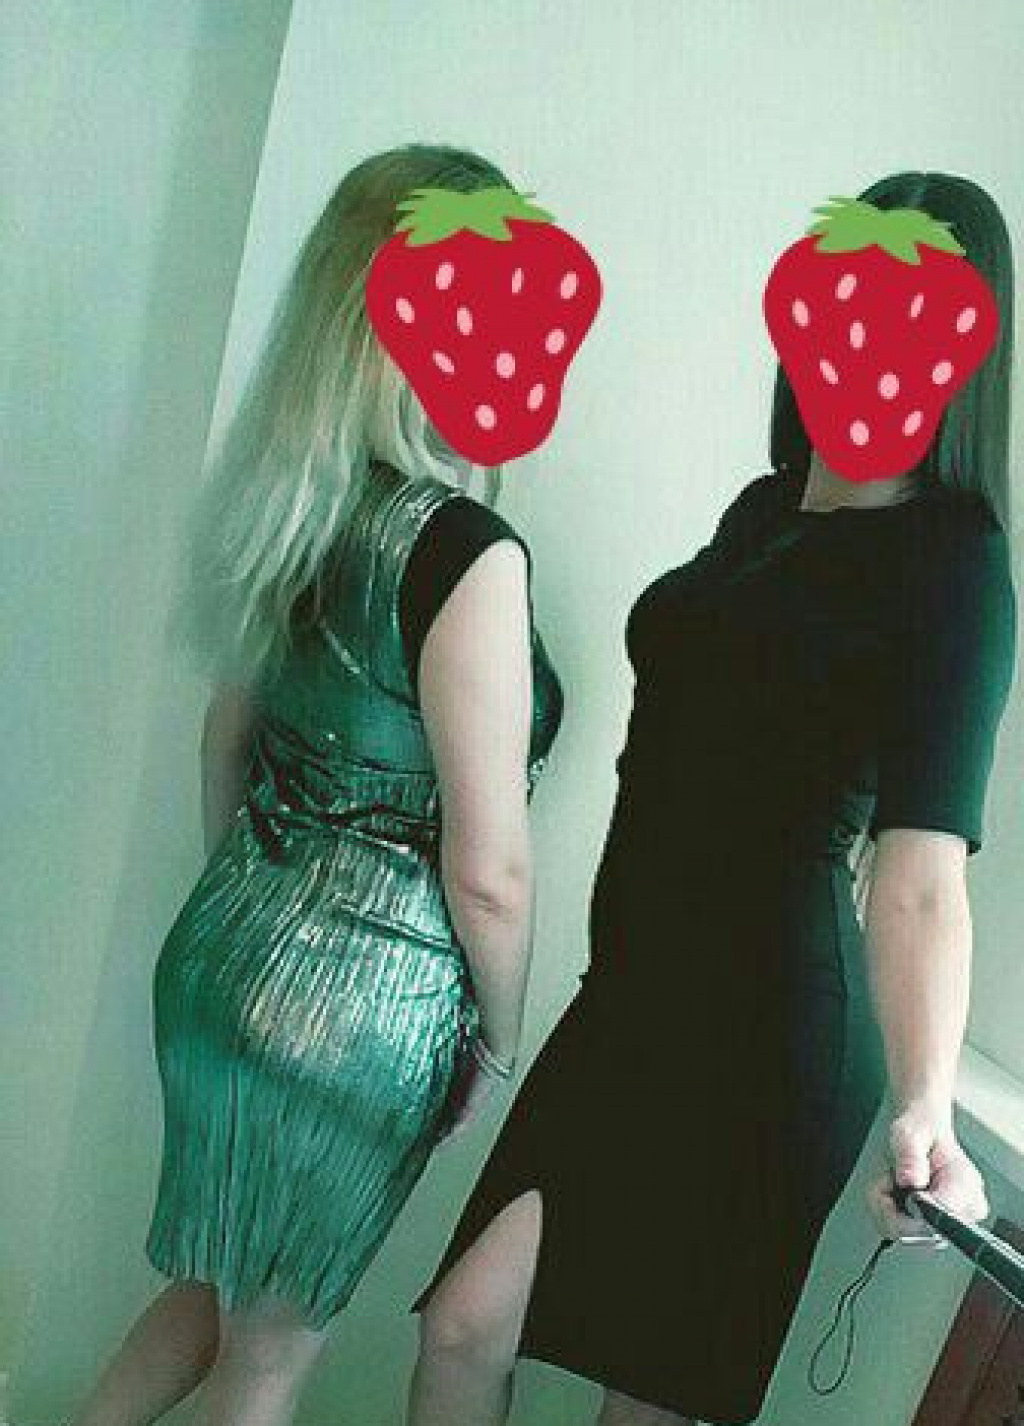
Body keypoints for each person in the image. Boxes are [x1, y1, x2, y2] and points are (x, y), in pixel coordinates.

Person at [405, 172, 1018, 1426]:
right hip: (634, 995)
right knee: (466, 1324)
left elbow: (919, 879)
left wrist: (919, 1102)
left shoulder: (956, 566)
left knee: (646, 1395)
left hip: (765, 1034)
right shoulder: (765, 508)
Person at [67, 143, 564, 1426]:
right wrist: (494, 1039)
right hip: (364, 1010)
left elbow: (221, 743)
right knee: (273, 1352)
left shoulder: (290, 504)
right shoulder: (463, 552)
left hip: (222, 953)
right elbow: (490, 872)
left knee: (206, 1287)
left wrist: (254, 931)